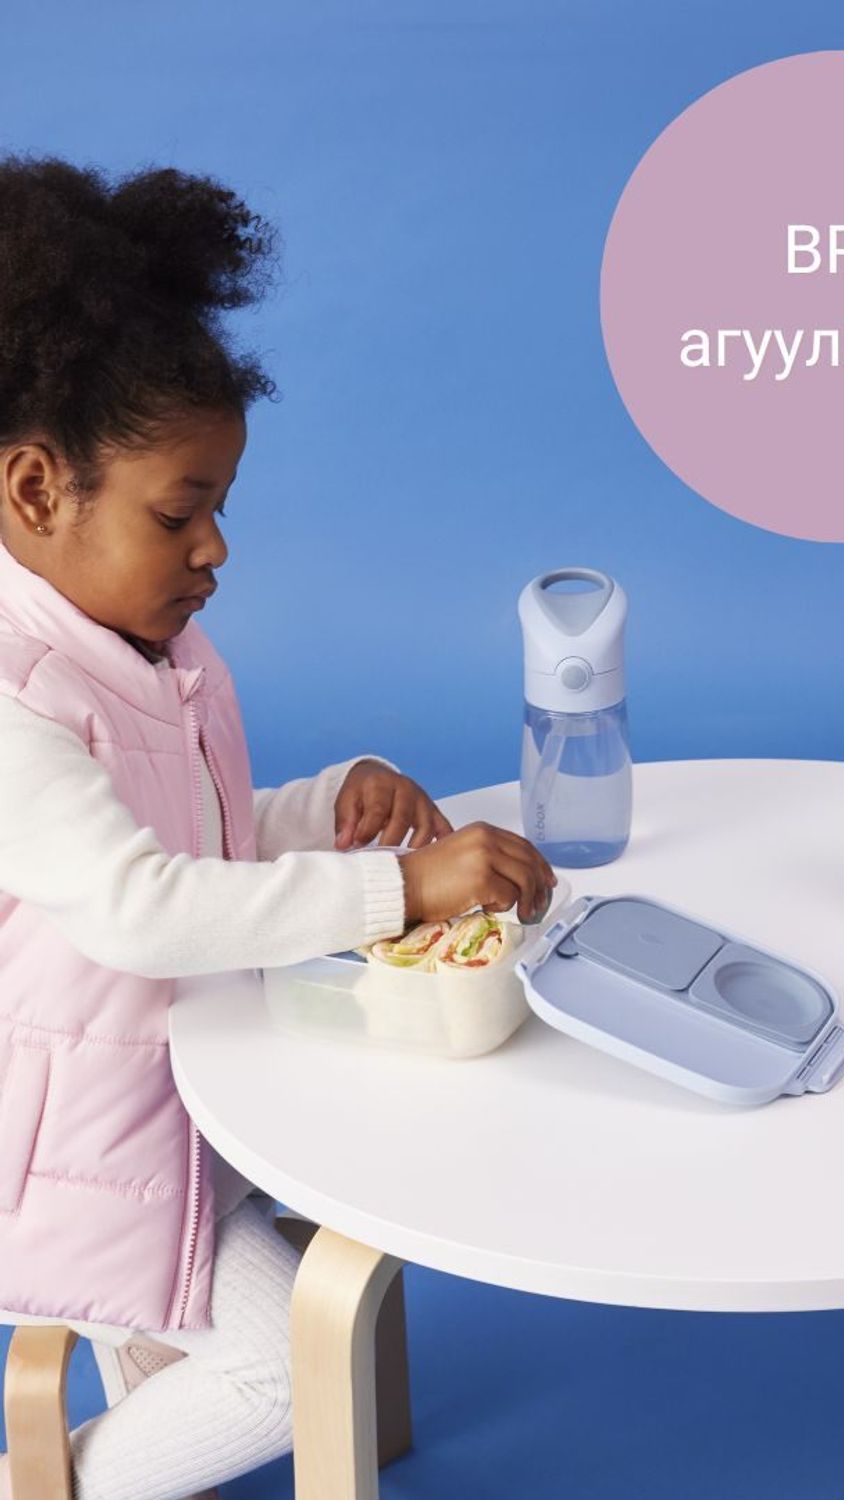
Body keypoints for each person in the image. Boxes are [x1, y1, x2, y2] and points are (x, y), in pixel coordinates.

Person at [0, 154, 555, 1499]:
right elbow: (138, 904)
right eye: (179, 512)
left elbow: (186, 836)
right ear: (36, 491)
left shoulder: (137, 649)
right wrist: (402, 891)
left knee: (315, 1270)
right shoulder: (14, 701)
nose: (216, 549)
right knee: (283, 1372)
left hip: (179, 1095)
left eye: (221, 508)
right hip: (74, 1146)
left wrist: (325, 808)